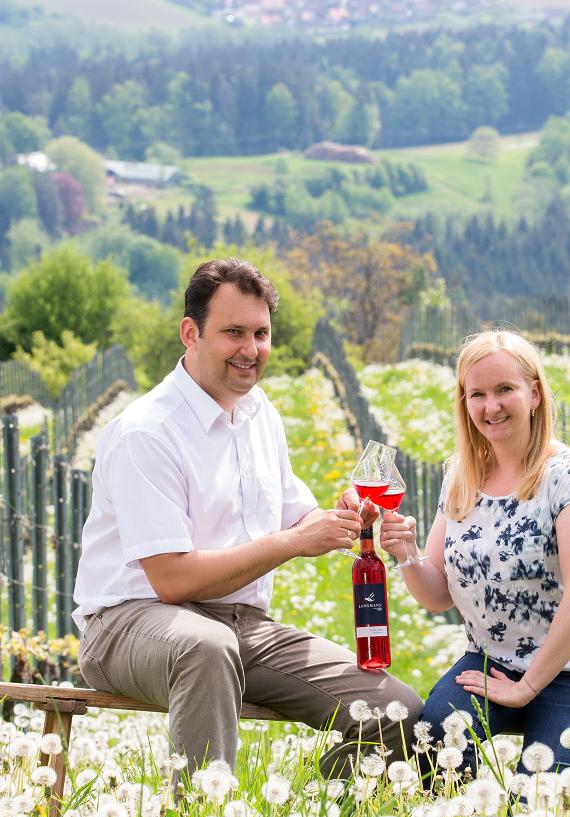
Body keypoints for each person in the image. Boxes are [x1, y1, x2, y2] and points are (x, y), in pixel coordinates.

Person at [73, 257, 421, 779]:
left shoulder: (260, 413)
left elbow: (292, 510)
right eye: (233, 332)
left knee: (397, 712)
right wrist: (293, 542)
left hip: (242, 626)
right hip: (128, 624)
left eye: (261, 333)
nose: (251, 350)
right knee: (205, 647)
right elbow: (171, 580)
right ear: (190, 333)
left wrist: (348, 517)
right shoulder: (147, 432)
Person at [380, 329, 570, 784]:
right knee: (432, 745)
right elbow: (438, 595)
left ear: (534, 393)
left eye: (505, 390)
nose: (490, 406)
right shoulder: (461, 477)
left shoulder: (568, 477)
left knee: (539, 804)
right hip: (493, 661)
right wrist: (407, 554)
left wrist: (527, 687)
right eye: (476, 394)